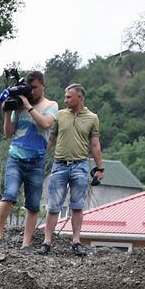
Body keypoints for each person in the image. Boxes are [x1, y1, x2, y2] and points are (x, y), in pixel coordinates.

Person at [0, 72, 59, 249]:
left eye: (34, 87)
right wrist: (8, 112)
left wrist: (29, 106)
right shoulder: (18, 107)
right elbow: (8, 133)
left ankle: (26, 243)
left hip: (36, 161)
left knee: (33, 203)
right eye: (29, 88)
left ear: (43, 86)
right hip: (16, 158)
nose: (32, 91)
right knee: (9, 195)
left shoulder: (51, 105)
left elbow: (46, 124)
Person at [43, 84, 103, 257]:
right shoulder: (60, 115)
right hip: (60, 164)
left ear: (79, 97)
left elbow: (95, 144)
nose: (65, 100)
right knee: (53, 205)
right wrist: (40, 155)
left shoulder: (92, 118)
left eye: (69, 97)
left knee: (77, 205)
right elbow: (51, 138)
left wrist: (100, 167)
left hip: (80, 165)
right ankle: (47, 242)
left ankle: (76, 241)